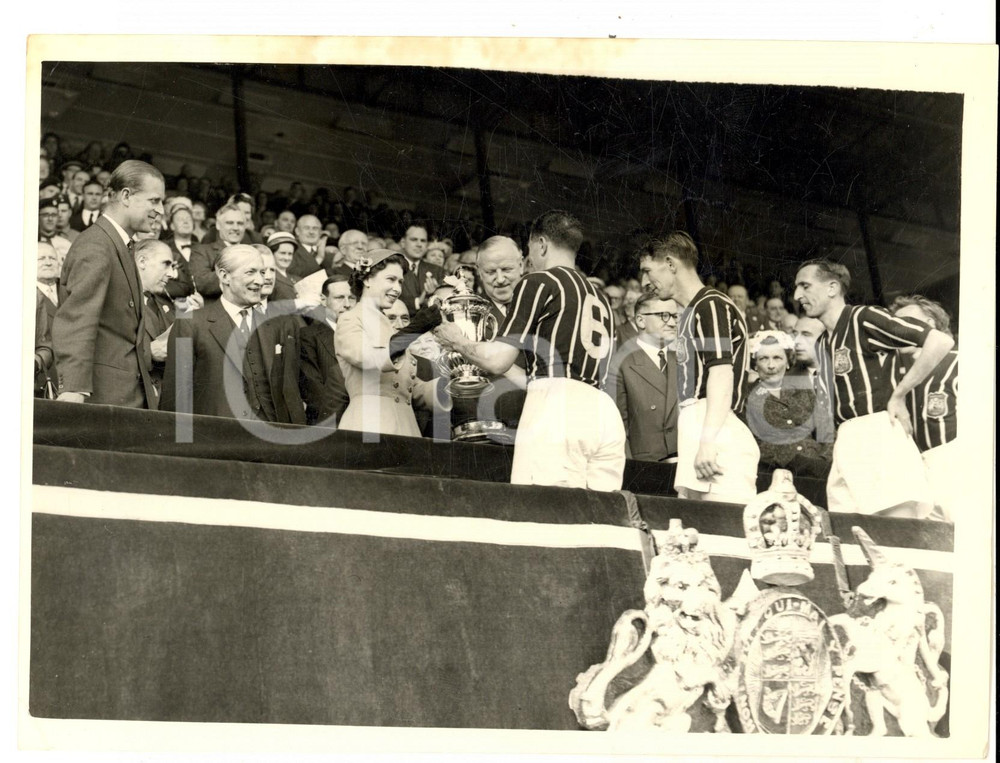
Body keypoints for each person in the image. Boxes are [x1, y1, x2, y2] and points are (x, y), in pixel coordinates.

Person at [435, 210, 626, 491]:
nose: (530, 259)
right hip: (602, 412)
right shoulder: (601, 297)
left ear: (541, 245)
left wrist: (458, 342)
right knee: (600, 515)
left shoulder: (539, 282)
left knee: (546, 512)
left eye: (528, 251)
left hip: (556, 408)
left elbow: (498, 360)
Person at [793, 259, 954, 516]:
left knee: (895, 531)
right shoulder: (823, 342)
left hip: (877, 432)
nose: (797, 295)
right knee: (851, 535)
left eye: (805, 285)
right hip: (845, 440)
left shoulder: (863, 318)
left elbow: (940, 341)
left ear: (832, 288)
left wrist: (899, 394)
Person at [637, 231, 759, 503]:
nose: (645, 282)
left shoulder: (711, 304)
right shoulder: (694, 311)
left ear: (670, 264)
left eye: (647, 271)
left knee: (724, 531)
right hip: (702, 425)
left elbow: (720, 373)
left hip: (716, 429)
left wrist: (707, 441)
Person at [50, 159, 164, 408]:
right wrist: (73, 388)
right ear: (125, 196)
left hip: (124, 396)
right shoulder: (97, 245)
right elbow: (76, 320)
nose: (161, 210)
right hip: (103, 398)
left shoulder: (119, 245)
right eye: (155, 201)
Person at [160, 244, 306, 423]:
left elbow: (291, 393)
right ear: (224, 276)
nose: (261, 280)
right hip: (218, 439)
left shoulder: (280, 324)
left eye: (262, 272)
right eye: (251, 272)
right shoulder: (190, 324)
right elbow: (176, 397)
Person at [334, 250, 446, 437]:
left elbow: (405, 386)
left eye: (400, 282)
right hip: (368, 426)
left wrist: (451, 385)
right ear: (367, 280)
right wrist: (414, 330)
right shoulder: (350, 318)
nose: (397, 288)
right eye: (391, 279)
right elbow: (367, 357)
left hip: (406, 427)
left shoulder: (389, 326)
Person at [889, 295, 959, 522]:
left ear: (929, 324)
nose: (899, 330)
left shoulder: (962, 364)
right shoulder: (896, 378)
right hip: (917, 473)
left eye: (907, 322)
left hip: (955, 467)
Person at [745, 330, 833, 478]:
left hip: (819, 468)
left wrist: (824, 462)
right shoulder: (747, 398)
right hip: (776, 473)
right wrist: (794, 460)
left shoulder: (804, 390)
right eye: (764, 358)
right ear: (755, 364)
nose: (771, 365)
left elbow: (827, 431)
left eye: (777, 358)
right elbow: (752, 444)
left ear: (787, 362)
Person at [610, 293, 680, 464]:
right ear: (641, 321)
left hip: (682, 469)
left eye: (674, 316)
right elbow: (617, 431)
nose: (671, 322)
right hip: (643, 471)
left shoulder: (682, 362)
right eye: (663, 316)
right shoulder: (618, 364)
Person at [299, 276, 355, 426]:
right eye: (339, 298)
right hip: (329, 424)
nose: (347, 304)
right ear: (323, 300)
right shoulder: (308, 336)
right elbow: (314, 391)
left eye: (352, 298)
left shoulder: (366, 336)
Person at [134, 239, 179, 395]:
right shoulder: (116, 301)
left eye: (172, 267)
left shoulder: (164, 304)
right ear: (142, 261)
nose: (172, 274)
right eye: (165, 264)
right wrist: (149, 352)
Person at [189, 203, 247, 299]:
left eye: (240, 223)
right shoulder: (202, 251)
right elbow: (201, 283)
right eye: (229, 223)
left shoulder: (252, 252)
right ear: (218, 225)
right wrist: (241, 272)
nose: (235, 228)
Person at [398, 224, 444, 314]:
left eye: (423, 241)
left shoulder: (437, 270)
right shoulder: (393, 267)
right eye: (414, 239)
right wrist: (418, 302)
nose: (419, 244)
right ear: (403, 243)